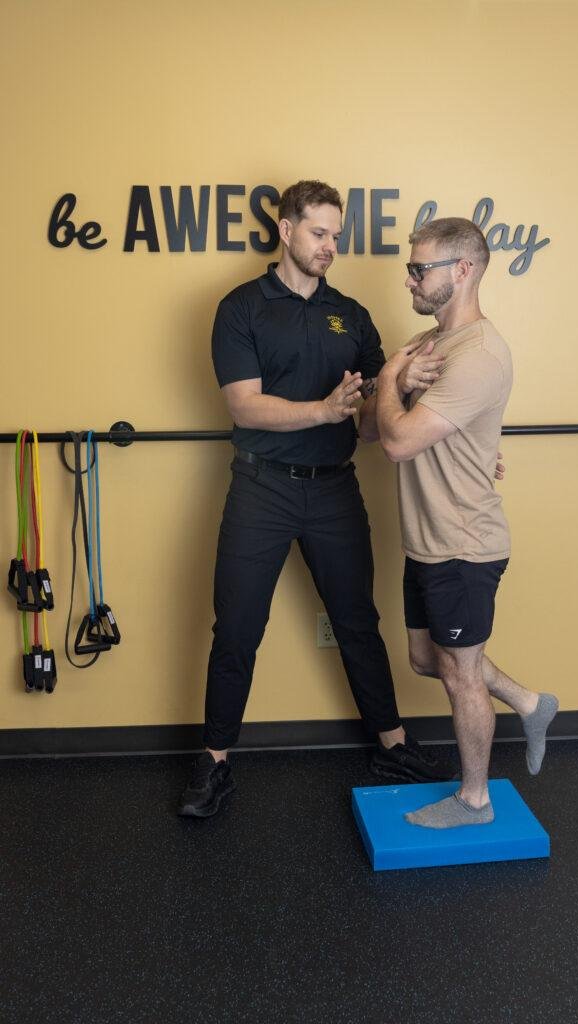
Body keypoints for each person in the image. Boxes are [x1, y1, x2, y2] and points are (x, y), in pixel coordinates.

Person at [178, 180, 452, 817]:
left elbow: (368, 422)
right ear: (286, 229)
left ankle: (392, 743)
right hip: (260, 488)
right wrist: (325, 408)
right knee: (237, 629)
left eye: (336, 235)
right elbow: (244, 405)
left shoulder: (352, 317)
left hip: (334, 491)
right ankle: (214, 762)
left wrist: (397, 386)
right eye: (319, 233)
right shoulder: (241, 307)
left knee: (358, 622)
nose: (331, 246)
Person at [375, 216, 559, 830]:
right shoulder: (429, 346)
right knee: (430, 659)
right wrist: (398, 384)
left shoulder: (479, 354)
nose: (409, 280)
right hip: (428, 541)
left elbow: (397, 443)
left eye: (419, 268)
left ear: (463, 270)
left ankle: (474, 799)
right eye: (410, 267)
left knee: (459, 673)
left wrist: (387, 382)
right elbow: (377, 429)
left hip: (464, 544)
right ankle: (530, 702)